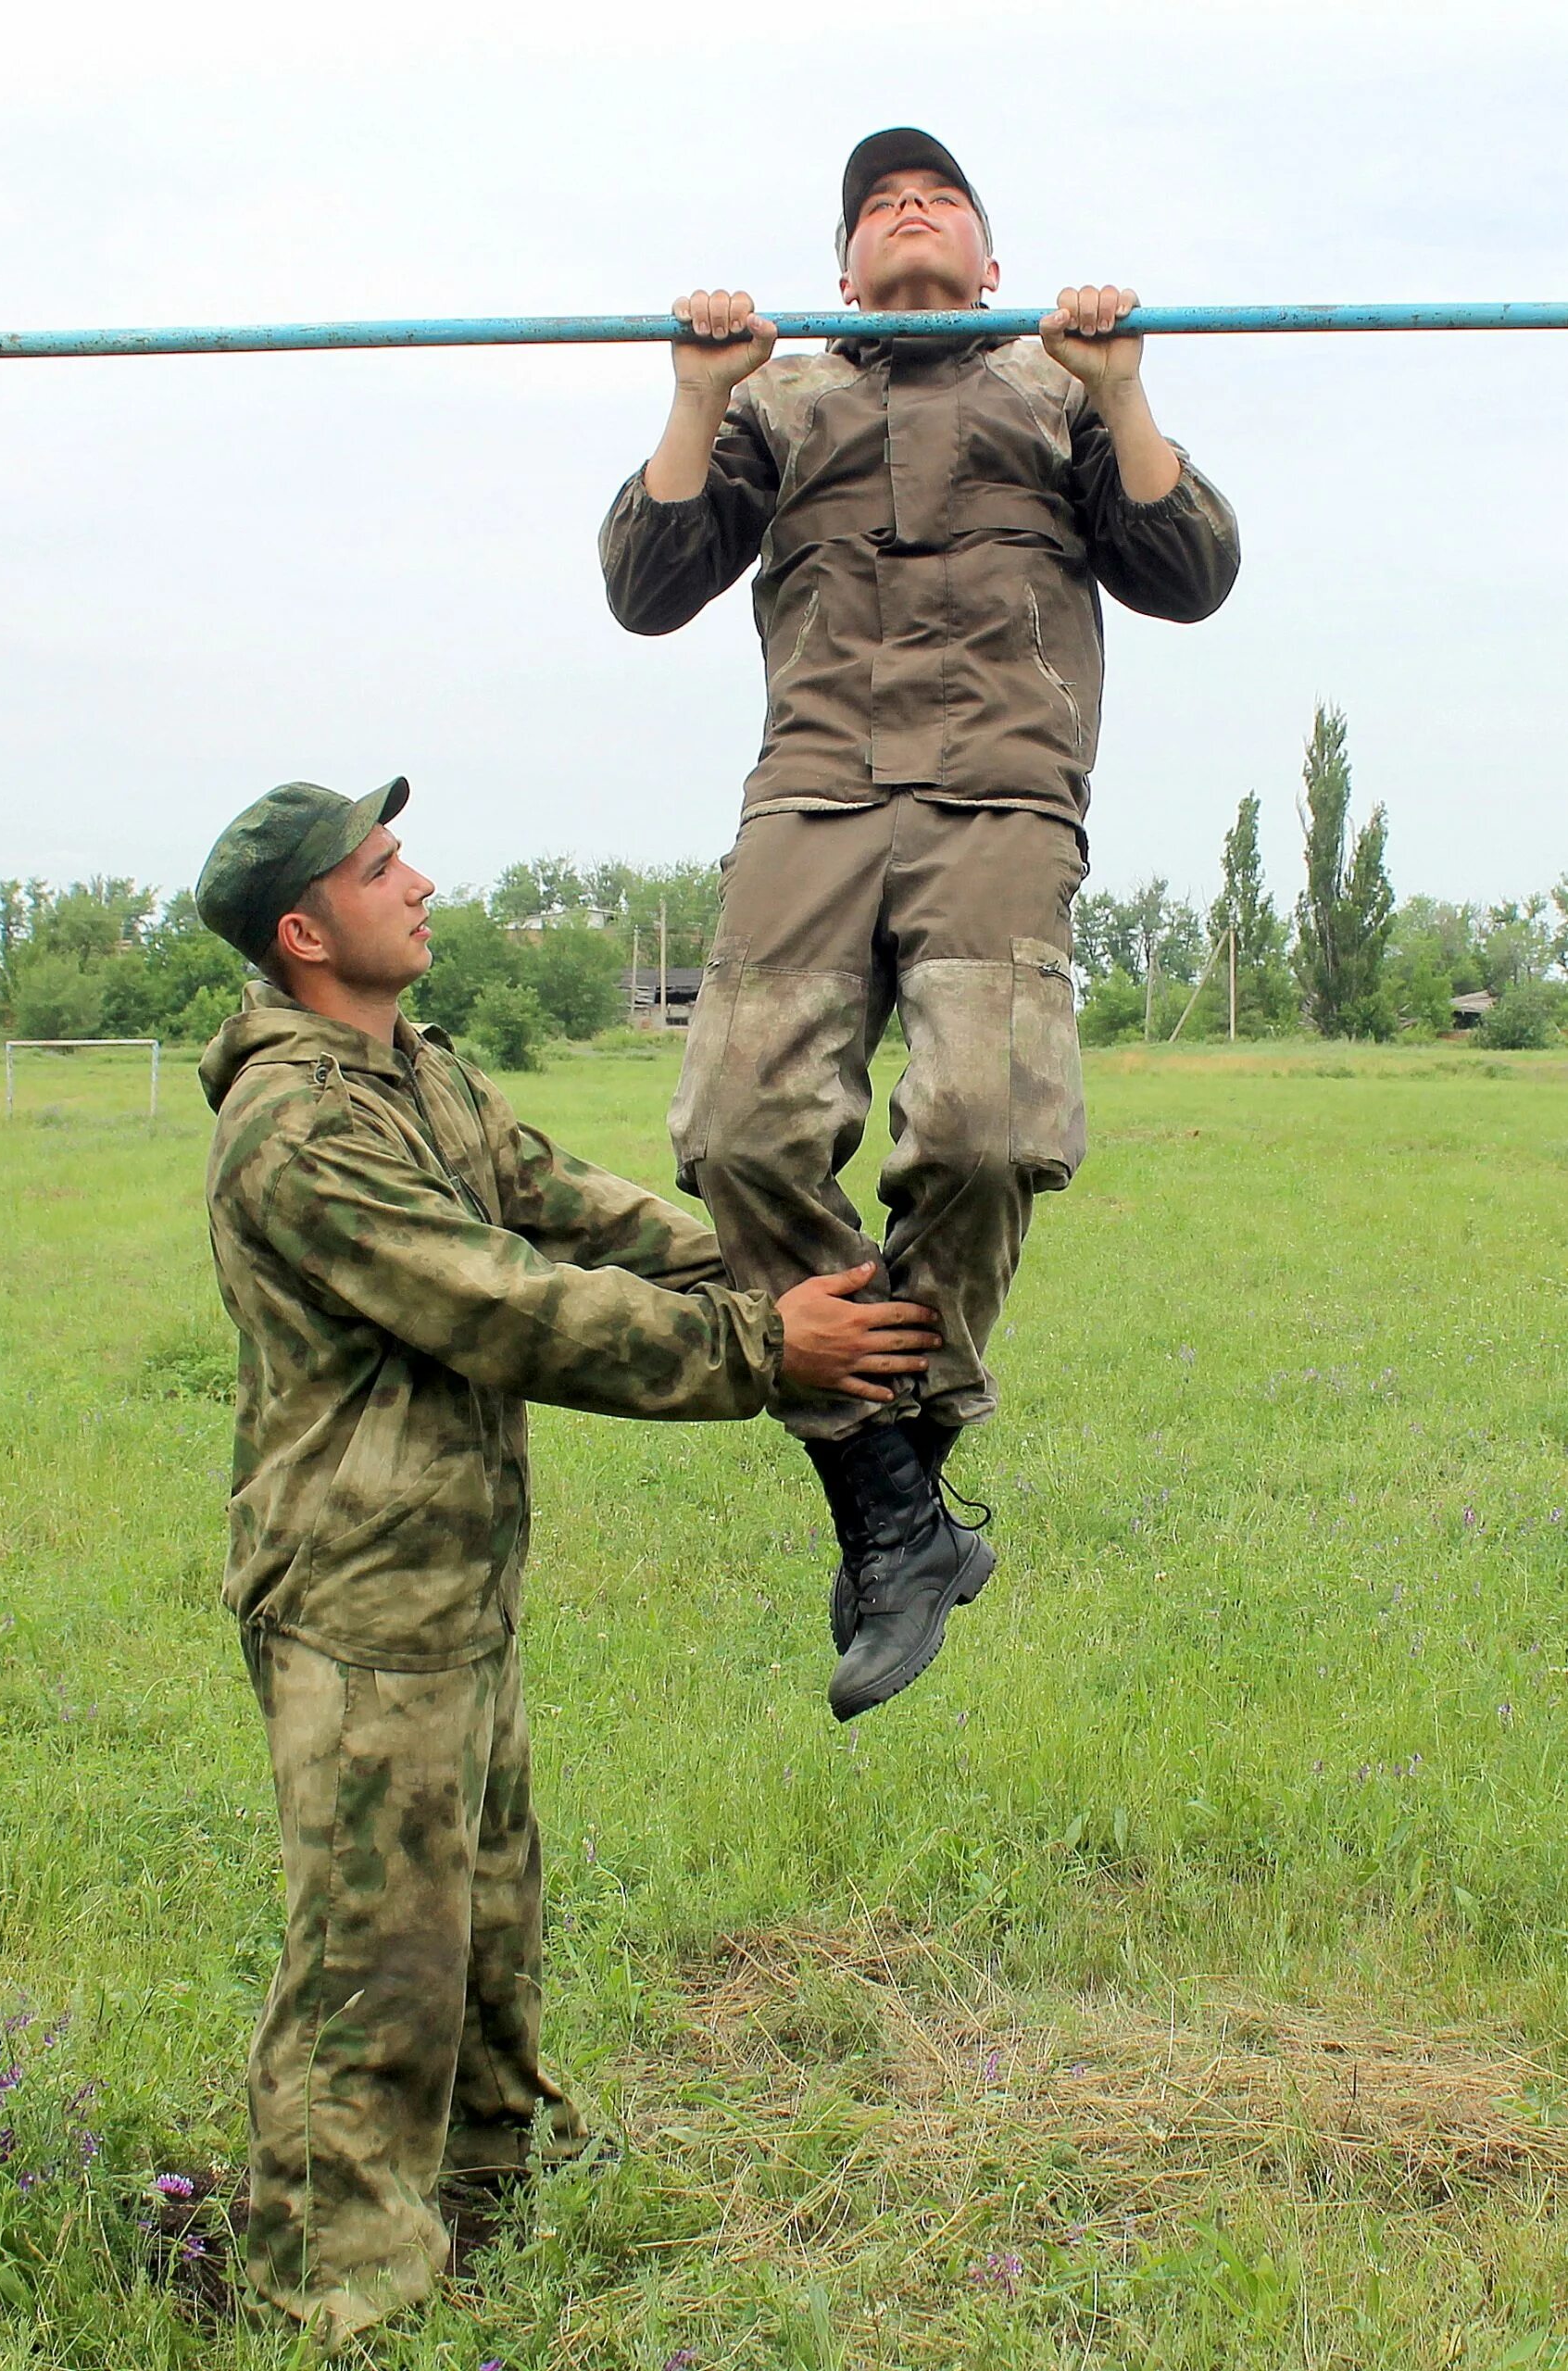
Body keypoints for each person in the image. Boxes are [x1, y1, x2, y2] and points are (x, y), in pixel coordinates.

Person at [192, 774, 941, 2346]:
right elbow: (506, 1303)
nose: (420, 882)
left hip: (450, 1579)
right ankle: (337, 2288)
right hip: (355, 1589)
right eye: (381, 867)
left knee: (481, 1913)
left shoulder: (419, 1079)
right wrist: (761, 1346)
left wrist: (788, 1268)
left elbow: (571, 1210)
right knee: (371, 1959)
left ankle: (476, 2201)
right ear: (304, 930)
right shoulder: (300, 1127)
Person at [599, 126, 1240, 1719]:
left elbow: (1191, 567)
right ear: (842, 271)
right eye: (878, 206)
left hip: (999, 794)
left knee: (982, 1130)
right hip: (812, 796)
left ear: (990, 259)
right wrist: (692, 393)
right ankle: (899, 1509)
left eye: (937, 198)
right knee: (737, 1129)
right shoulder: (777, 395)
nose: (907, 211)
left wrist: (1125, 388)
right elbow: (648, 581)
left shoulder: (1053, 382)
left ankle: (889, 1490)